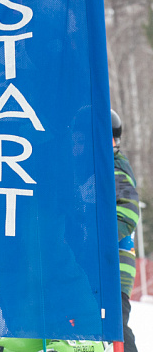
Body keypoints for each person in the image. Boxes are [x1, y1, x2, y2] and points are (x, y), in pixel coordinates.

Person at [112, 109, 140, 352]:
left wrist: (97, 240)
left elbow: (128, 213)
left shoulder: (115, 169)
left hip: (116, 265)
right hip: (104, 265)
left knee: (116, 324)